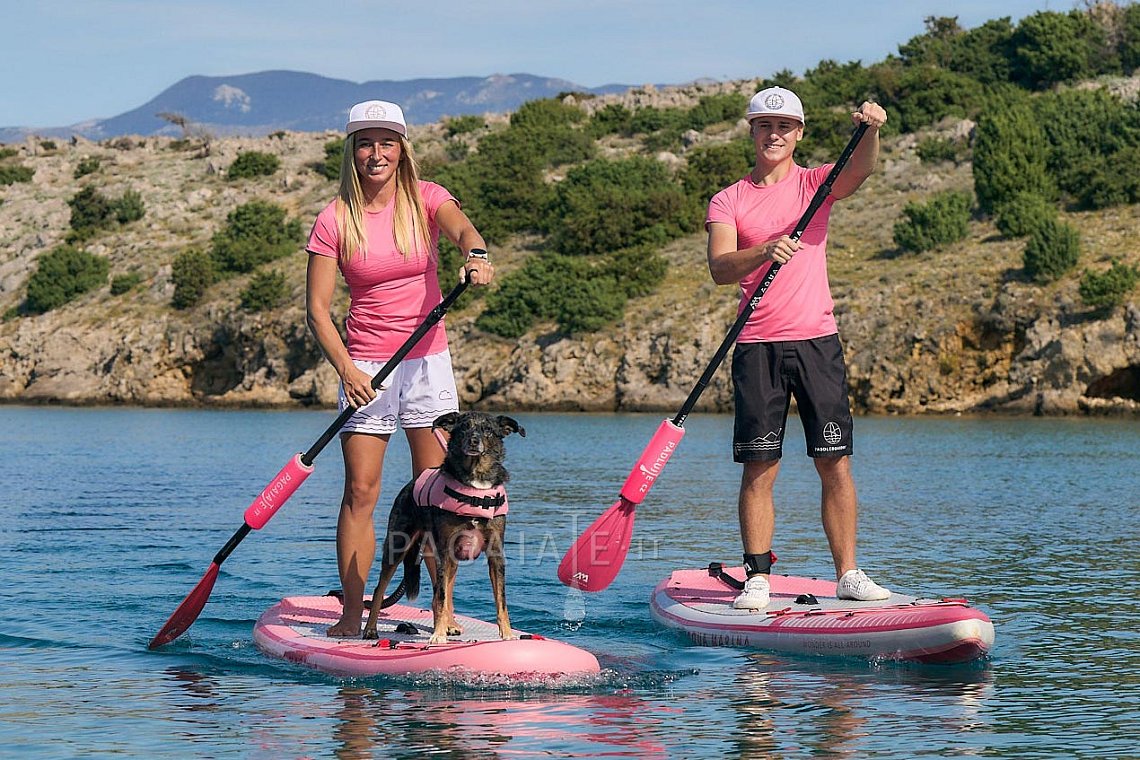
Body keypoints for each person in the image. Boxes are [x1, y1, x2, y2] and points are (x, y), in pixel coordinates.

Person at [305, 100, 495, 636]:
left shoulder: (427, 198)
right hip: (366, 365)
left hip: (427, 362)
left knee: (435, 491)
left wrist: (476, 255)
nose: (376, 153)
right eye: (365, 143)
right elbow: (317, 309)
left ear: (402, 149)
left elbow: (464, 231)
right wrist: (347, 369)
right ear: (352, 151)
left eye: (386, 142)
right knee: (361, 492)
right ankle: (351, 613)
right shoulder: (334, 218)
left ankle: (443, 612)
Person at [704, 86, 890, 609]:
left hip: (817, 343)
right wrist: (762, 250)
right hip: (757, 345)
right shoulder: (729, 198)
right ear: (752, 131)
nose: (774, 134)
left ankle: (849, 573)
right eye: (765, 125)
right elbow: (720, 267)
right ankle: (757, 576)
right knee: (760, 467)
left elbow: (861, 172)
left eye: (784, 126)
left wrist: (871, 130)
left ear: (798, 134)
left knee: (835, 463)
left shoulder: (816, 183)